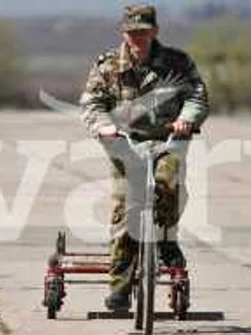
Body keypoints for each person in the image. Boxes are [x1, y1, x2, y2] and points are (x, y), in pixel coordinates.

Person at [79, 4, 209, 311]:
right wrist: (103, 126)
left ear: (154, 32)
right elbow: (92, 102)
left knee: (167, 187)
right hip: (123, 142)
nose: (138, 37)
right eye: (132, 32)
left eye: (143, 32)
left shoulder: (177, 61)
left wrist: (187, 120)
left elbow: (196, 95)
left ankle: (165, 240)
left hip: (168, 139)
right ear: (124, 32)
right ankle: (120, 287)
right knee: (127, 209)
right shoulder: (108, 64)